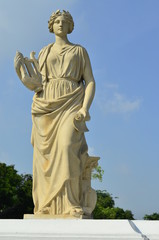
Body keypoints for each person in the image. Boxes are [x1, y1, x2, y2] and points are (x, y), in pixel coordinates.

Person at [14, 10, 99, 218]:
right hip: (46, 106)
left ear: (70, 27)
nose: (61, 24)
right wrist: (25, 78)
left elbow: (90, 81)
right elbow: (38, 84)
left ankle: (71, 203)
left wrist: (84, 108)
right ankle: (46, 204)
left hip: (71, 103)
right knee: (45, 157)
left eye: (65, 22)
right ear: (51, 26)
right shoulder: (44, 52)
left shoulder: (79, 51)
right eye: (57, 21)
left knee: (68, 146)